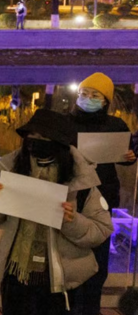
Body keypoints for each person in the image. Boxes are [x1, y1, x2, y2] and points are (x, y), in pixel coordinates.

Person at [0, 109, 113, 315]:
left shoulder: (81, 182)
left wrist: (72, 220)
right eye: (31, 136)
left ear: (59, 143)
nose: (35, 142)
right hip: (14, 271)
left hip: (59, 277)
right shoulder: (11, 170)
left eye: (43, 137)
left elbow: (102, 229)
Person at [69, 73, 137, 315]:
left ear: (106, 100)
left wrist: (130, 157)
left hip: (103, 198)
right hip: (71, 196)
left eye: (94, 95)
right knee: (69, 255)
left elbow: (126, 156)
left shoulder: (116, 126)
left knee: (98, 258)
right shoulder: (65, 122)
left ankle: (90, 309)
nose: (87, 98)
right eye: (84, 93)